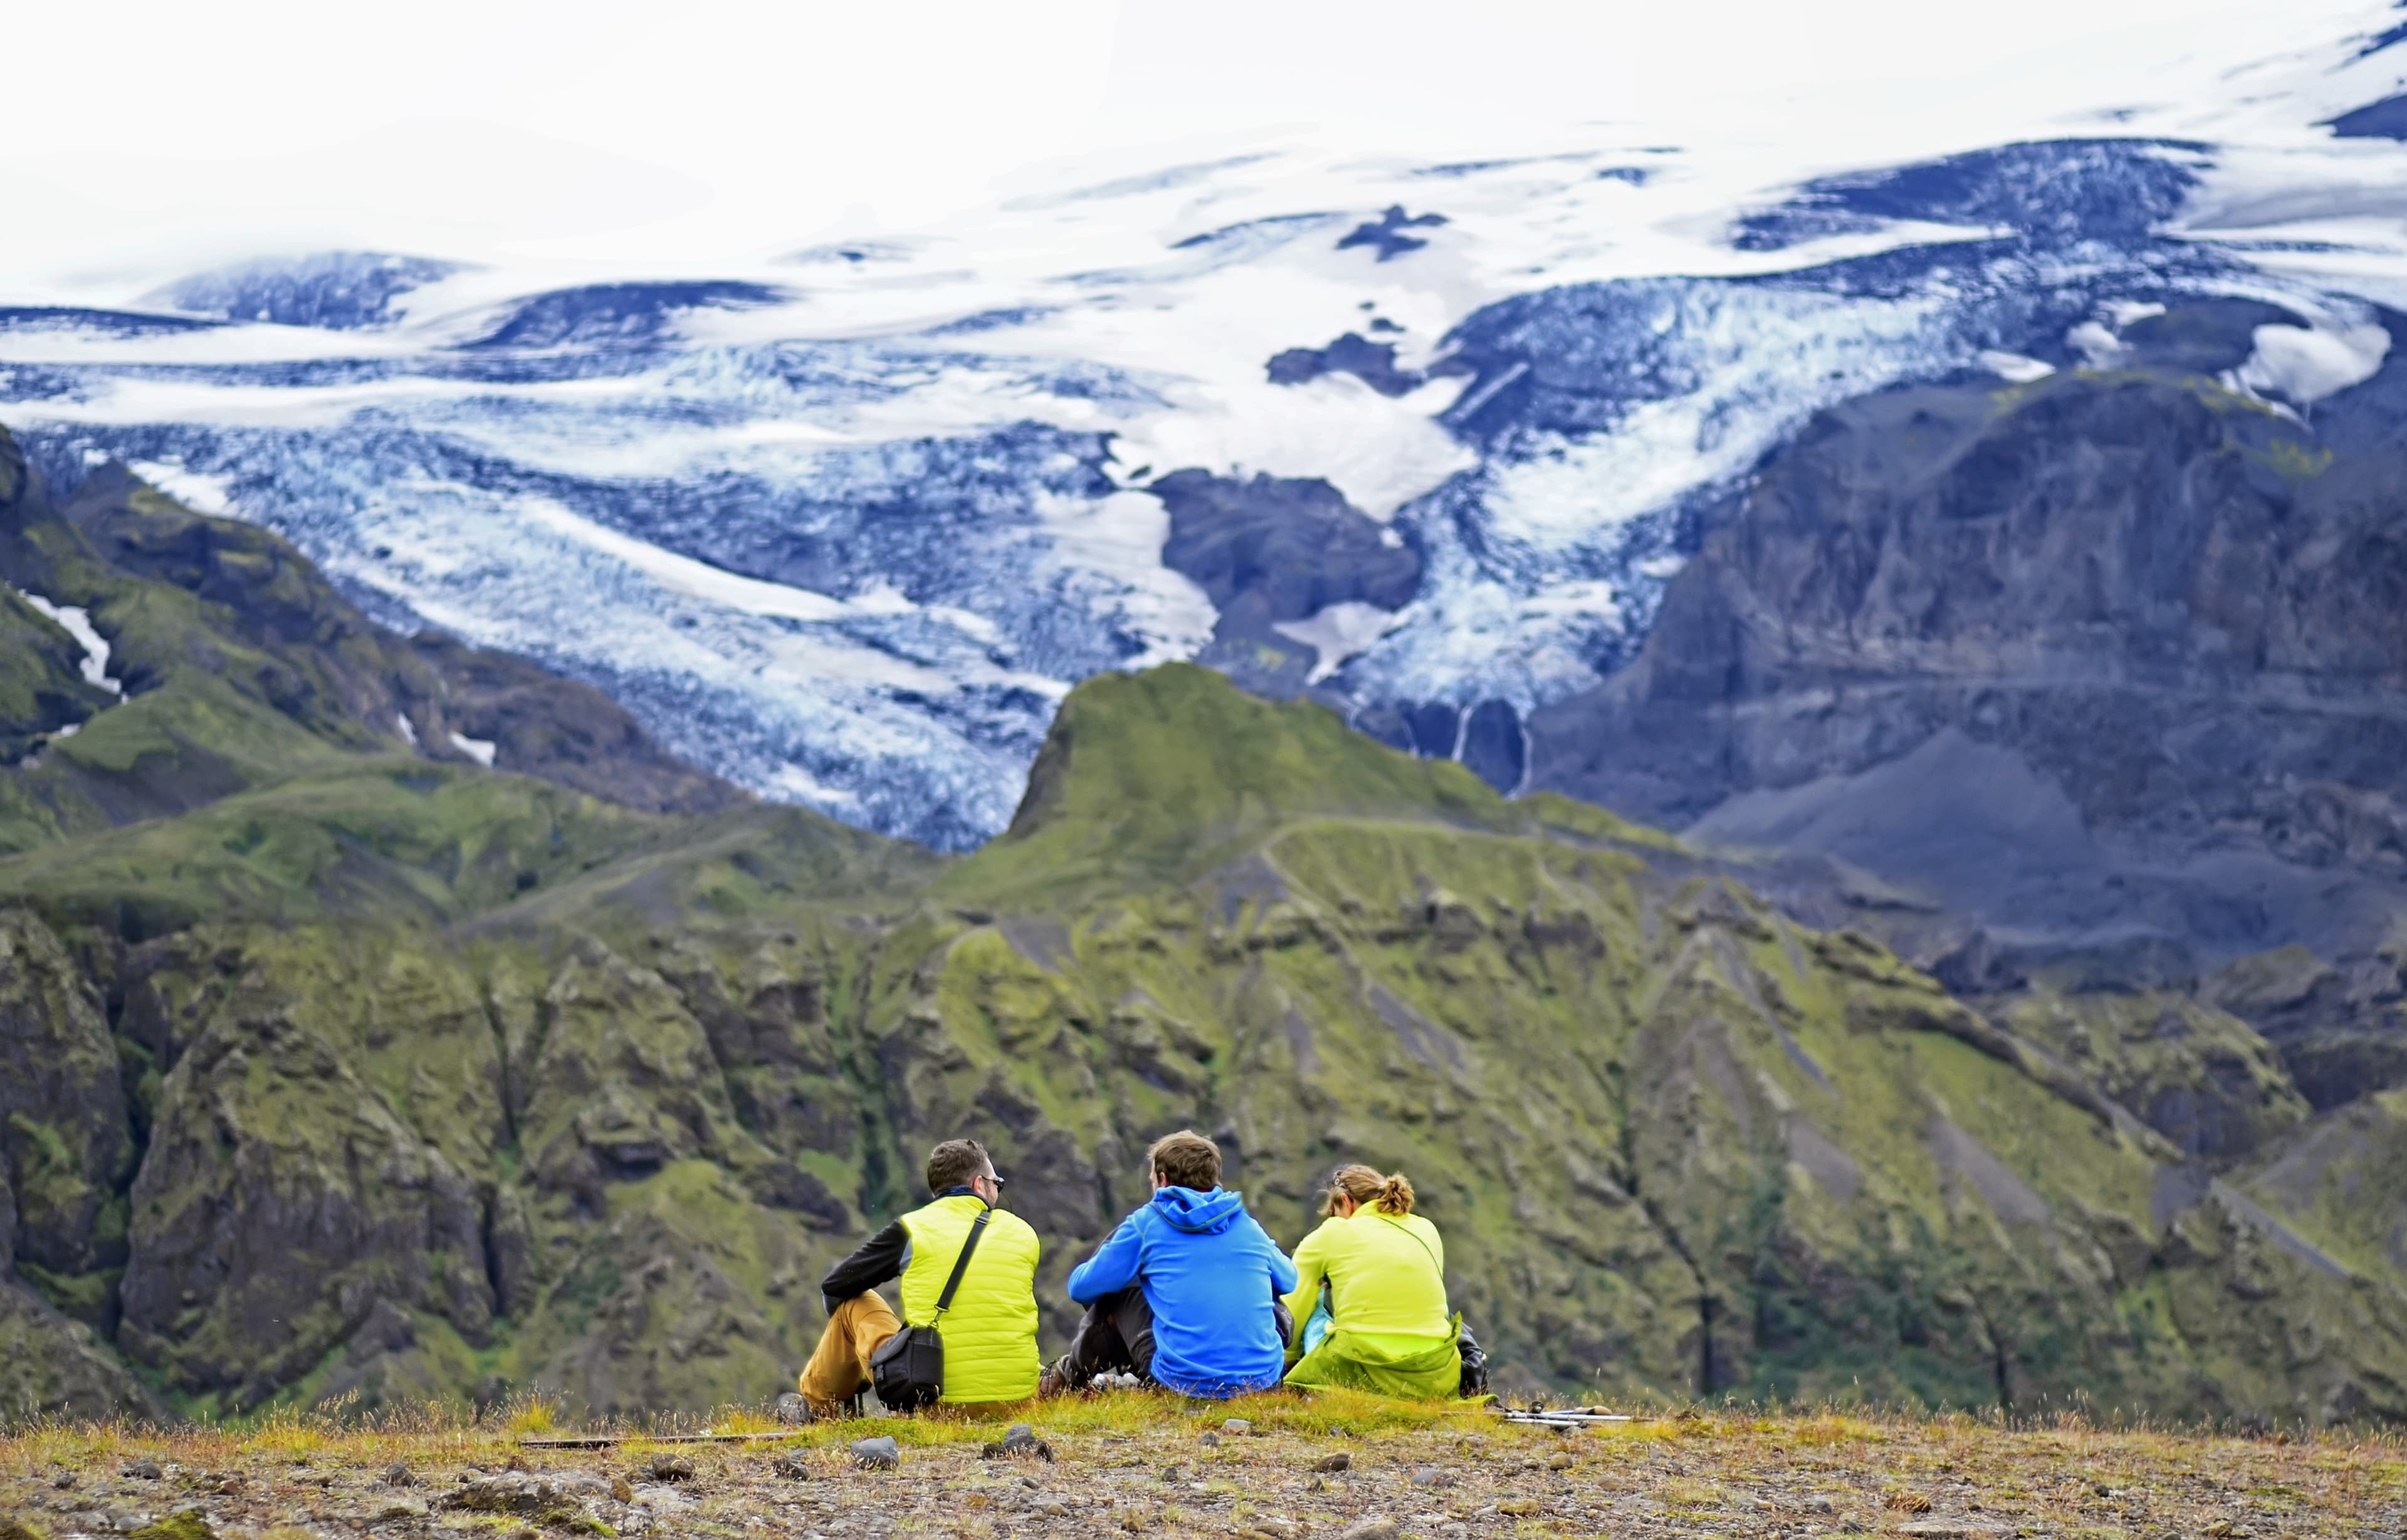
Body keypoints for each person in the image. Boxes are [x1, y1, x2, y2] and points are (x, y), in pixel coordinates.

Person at [1046, 1130, 1299, 1398]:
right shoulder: (1246, 1224)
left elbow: (1081, 1289)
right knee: (1269, 1294)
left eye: (1153, 1180)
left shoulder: (1147, 1223)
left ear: (1163, 1181)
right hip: (1263, 1383)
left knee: (1116, 1294)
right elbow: (1288, 1280)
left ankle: (1065, 1379)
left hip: (1181, 1385)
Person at [800, 1137, 1041, 1415]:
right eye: (996, 1184)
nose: (997, 1192)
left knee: (851, 1306)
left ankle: (816, 1408)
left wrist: (864, 1348)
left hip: (936, 1406)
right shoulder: (1024, 1233)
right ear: (979, 1185)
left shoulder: (915, 1229)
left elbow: (834, 1287)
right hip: (1020, 1402)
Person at [1281, 1163, 1469, 1399]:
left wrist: (1287, 1363)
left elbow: (1291, 1312)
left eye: (1334, 1211)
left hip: (1363, 1371)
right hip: (1435, 1376)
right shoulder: (1427, 1229)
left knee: (1313, 1298)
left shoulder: (1332, 1233)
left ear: (1346, 1203)